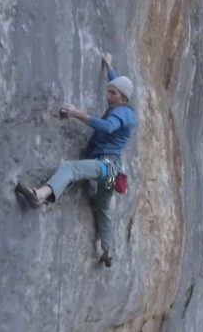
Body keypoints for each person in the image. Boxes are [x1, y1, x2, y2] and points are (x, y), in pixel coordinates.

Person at [16, 52, 136, 267]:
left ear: (123, 99)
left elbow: (108, 127)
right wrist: (109, 67)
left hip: (106, 166)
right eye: (109, 91)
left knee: (71, 169)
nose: (108, 95)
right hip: (112, 172)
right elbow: (117, 84)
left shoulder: (124, 115)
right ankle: (107, 250)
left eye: (112, 93)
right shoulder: (122, 101)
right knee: (102, 207)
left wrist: (76, 113)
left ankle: (39, 195)